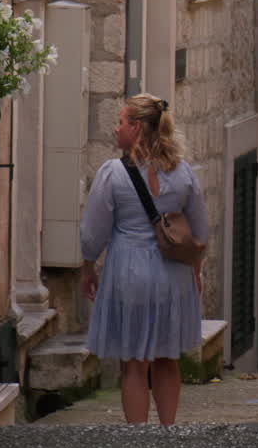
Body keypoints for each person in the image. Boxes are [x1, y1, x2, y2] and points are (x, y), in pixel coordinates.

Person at [80, 93, 206, 425]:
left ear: (136, 127)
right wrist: (196, 271)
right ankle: (168, 431)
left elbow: (94, 230)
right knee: (167, 357)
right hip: (174, 275)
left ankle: (138, 437)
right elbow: (199, 229)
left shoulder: (113, 174)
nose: (116, 128)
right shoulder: (183, 174)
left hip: (129, 272)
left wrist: (87, 266)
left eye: (121, 122)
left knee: (134, 362)